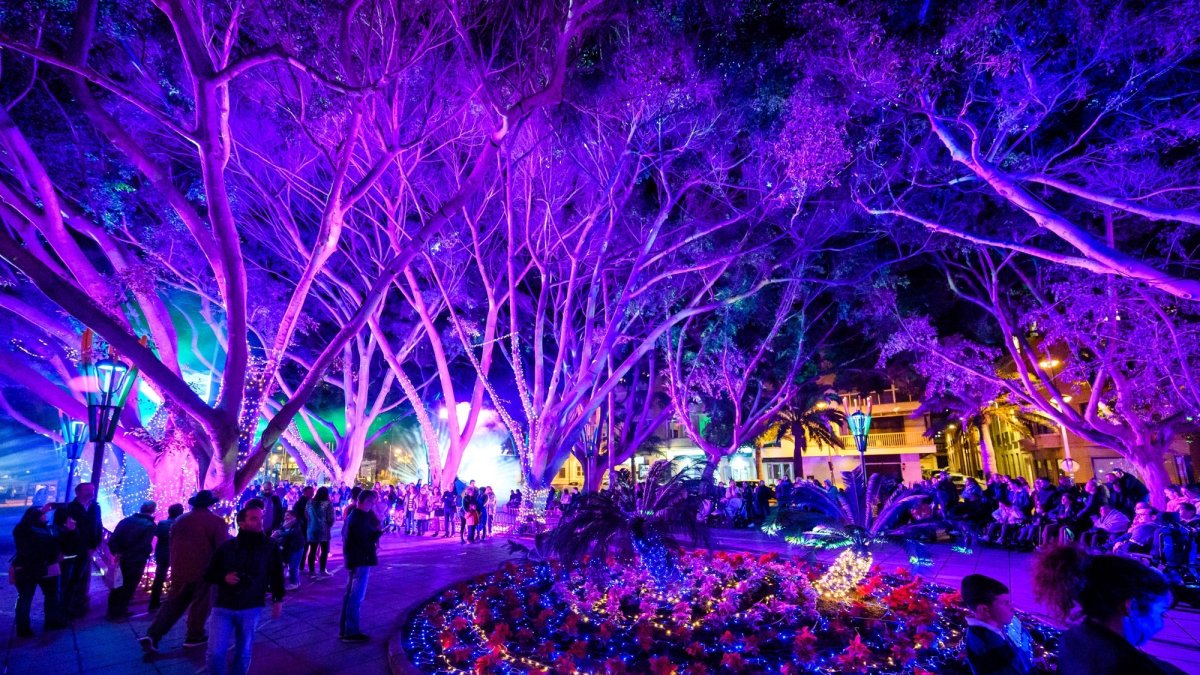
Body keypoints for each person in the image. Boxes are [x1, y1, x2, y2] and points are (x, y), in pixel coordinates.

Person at [1033, 546, 1186, 675]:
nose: (1161, 625)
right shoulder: (1130, 668)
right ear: (1131, 606)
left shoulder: (1071, 638)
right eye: (1160, 613)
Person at [140, 490, 230, 653]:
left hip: (180, 568)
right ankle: (194, 635)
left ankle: (153, 634)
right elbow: (222, 548)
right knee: (201, 604)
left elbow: (172, 542)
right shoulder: (216, 522)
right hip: (204, 569)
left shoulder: (180, 520)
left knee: (172, 603)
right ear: (210, 504)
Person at [204, 505, 285, 675]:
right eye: (254, 518)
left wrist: (278, 599)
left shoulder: (270, 547)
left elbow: (276, 573)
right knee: (216, 652)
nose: (259, 521)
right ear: (241, 523)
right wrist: (223, 578)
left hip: (251, 605)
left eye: (260, 517)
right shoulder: (227, 547)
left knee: (243, 652)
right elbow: (209, 573)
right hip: (223, 605)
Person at [960, 574, 1032, 675]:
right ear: (985, 610)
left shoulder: (991, 630)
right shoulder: (989, 645)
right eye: (1006, 603)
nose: (1012, 608)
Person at [12, 505, 64, 637]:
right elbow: (25, 528)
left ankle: (52, 621)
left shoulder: (48, 529)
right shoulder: (23, 529)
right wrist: (40, 511)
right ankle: (23, 629)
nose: (44, 515)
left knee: (52, 595)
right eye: (41, 514)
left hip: (48, 567)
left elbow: (62, 538)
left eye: (43, 514)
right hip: (28, 568)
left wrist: (71, 530)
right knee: (26, 598)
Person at [54, 482, 102, 619]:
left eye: (92, 489)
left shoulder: (95, 507)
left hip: (87, 549)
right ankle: (64, 609)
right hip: (71, 550)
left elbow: (98, 525)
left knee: (80, 579)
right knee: (67, 580)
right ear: (78, 492)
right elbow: (58, 530)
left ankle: (77, 606)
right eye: (87, 490)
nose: (91, 492)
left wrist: (95, 545)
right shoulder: (67, 509)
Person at [340, 489, 381, 643]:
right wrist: (376, 535)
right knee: (356, 597)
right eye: (370, 502)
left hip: (356, 559)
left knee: (350, 595)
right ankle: (350, 631)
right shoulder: (357, 518)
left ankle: (345, 629)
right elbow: (361, 540)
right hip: (360, 560)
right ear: (362, 501)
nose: (372, 505)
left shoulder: (356, 516)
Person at [106, 500, 157, 619]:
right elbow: (144, 545)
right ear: (153, 510)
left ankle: (112, 609)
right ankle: (121, 610)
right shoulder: (149, 525)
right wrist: (147, 552)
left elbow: (113, 539)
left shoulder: (126, 521)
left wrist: (118, 552)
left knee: (118, 583)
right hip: (136, 559)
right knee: (129, 585)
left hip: (122, 557)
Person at [149, 503, 184, 612]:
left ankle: (153, 603)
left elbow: (157, 535)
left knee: (159, 578)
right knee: (178, 578)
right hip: (177, 554)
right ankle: (174, 601)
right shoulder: (182, 524)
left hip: (162, 553)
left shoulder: (162, 523)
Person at [306, 486, 335, 580]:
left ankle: (312, 571)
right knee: (324, 550)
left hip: (312, 528)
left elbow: (306, 514)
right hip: (323, 529)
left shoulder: (310, 502)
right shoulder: (328, 504)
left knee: (312, 551)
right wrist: (328, 525)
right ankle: (322, 570)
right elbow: (331, 518)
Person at [272, 511, 306, 590]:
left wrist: (279, 534)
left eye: (288, 515)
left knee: (293, 566)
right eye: (285, 515)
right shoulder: (284, 524)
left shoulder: (297, 524)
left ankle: (294, 583)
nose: (286, 517)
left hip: (297, 547)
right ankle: (296, 581)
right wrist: (276, 533)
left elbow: (292, 534)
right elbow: (280, 531)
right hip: (289, 548)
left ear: (294, 517)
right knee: (290, 565)